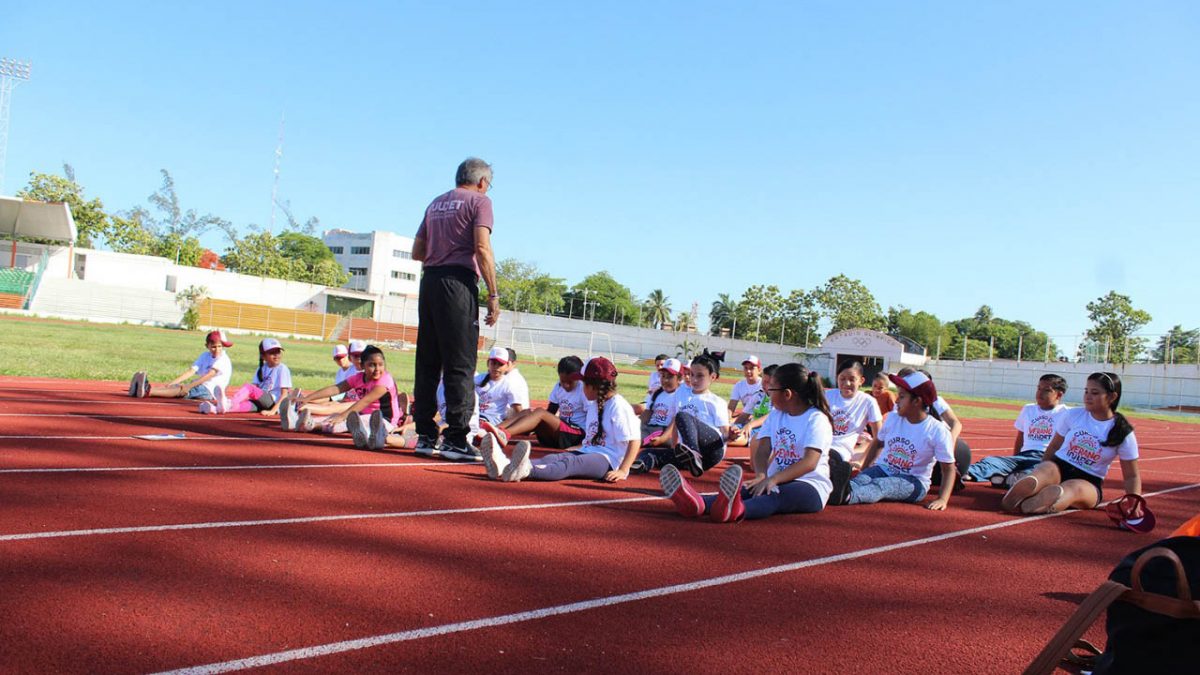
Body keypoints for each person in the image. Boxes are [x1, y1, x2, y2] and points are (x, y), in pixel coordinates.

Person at [661, 363, 834, 523]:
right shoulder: (776, 415)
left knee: (773, 496)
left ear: (787, 394)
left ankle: (736, 510)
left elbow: (810, 462)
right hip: (776, 479)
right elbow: (763, 448)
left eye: (771, 389)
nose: (768, 393)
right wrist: (761, 474)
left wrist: (773, 479)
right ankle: (700, 504)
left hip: (811, 485)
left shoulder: (816, 419)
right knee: (745, 491)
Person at [411, 157, 500, 461]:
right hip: (458, 284)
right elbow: (482, 248)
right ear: (482, 182)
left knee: (427, 361)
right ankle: (456, 438)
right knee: (460, 364)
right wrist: (493, 294)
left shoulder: (435, 204)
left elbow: (417, 251)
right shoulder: (480, 202)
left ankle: (424, 434)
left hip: (430, 281)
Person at [481, 357, 640, 483]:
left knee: (569, 465)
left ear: (593, 386)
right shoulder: (594, 404)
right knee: (553, 458)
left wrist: (623, 470)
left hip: (607, 460)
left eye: (583, 384)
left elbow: (635, 440)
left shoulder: (618, 406)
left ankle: (527, 470)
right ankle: (504, 465)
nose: (581, 388)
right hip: (588, 450)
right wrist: (581, 446)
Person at [1002, 372, 1141, 515]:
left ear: (1112, 397)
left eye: (1094, 393)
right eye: (1086, 391)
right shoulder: (1073, 415)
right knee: (1046, 470)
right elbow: (1054, 446)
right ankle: (1032, 483)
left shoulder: (1123, 432)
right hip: (1059, 466)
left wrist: (1134, 504)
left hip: (1089, 479)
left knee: (1073, 488)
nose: (1087, 396)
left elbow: (1132, 475)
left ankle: (1048, 498)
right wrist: (1042, 466)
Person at [842, 371, 956, 511]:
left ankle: (846, 496)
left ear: (917, 401)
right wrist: (865, 469)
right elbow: (878, 443)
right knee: (862, 479)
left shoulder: (936, 430)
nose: (896, 401)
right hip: (883, 469)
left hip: (913, 481)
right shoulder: (893, 418)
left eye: (901, 397)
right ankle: (836, 490)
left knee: (882, 485)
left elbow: (948, 469)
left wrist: (942, 499)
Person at [285, 345, 403, 450]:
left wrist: (343, 416)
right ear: (362, 366)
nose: (377, 369)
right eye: (372, 365)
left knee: (346, 420)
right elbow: (335, 389)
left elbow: (365, 401)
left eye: (381, 365)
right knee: (336, 417)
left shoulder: (385, 380)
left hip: (385, 420)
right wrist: (308, 398)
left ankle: (370, 435)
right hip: (362, 416)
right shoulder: (358, 378)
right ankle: (302, 423)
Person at [630, 354, 729, 477]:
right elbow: (676, 425)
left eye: (700, 376)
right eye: (692, 374)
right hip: (689, 456)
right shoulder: (681, 393)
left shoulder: (717, 402)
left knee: (683, 416)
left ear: (713, 377)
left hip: (711, 451)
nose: (694, 380)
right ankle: (642, 464)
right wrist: (674, 449)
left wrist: (732, 435)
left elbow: (725, 433)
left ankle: (694, 455)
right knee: (648, 452)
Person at [966, 374, 1069, 487]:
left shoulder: (1067, 413)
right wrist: (1015, 460)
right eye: (1038, 388)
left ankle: (1014, 479)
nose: (1040, 393)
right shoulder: (1028, 409)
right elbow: (1020, 436)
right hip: (1023, 455)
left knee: (1036, 472)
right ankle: (967, 473)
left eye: (1046, 390)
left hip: (1045, 457)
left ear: (1059, 395)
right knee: (991, 461)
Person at [484, 356, 587, 451]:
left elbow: (595, 421)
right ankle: (491, 433)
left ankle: (505, 434)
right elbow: (551, 412)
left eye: (570, 382)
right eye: (562, 381)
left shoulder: (583, 390)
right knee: (527, 413)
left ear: (578, 378)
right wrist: (532, 423)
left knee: (539, 413)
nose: (566, 385)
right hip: (560, 435)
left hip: (576, 436)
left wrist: (583, 445)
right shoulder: (558, 387)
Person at [895, 367, 970, 488]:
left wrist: (949, 443)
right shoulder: (899, 405)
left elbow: (956, 423)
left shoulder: (936, 401)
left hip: (950, 451)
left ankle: (955, 471)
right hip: (920, 455)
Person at [128, 330, 232, 401]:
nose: (217, 350)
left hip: (210, 391)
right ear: (207, 346)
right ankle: (140, 390)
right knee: (176, 387)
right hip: (201, 386)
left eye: (220, 346)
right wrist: (172, 383)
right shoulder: (205, 355)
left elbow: (208, 375)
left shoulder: (222, 359)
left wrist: (189, 386)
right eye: (213, 347)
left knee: (182, 391)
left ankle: (148, 391)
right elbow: (191, 371)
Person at [203, 338, 292, 416]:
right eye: (272, 353)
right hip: (261, 401)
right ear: (263, 356)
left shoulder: (283, 369)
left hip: (272, 402)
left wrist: (273, 411)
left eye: (278, 352)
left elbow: (284, 394)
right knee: (240, 407)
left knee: (249, 388)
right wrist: (241, 400)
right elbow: (254, 390)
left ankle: (228, 403)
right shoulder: (261, 368)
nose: (276, 355)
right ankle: (215, 409)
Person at [825, 361, 883, 466]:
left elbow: (879, 436)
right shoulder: (827, 396)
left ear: (861, 381)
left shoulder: (868, 402)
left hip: (839, 453)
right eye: (842, 379)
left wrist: (861, 461)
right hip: (818, 446)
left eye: (852, 379)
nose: (846, 383)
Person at [476, 346, 531, 426]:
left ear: (507, 366)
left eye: (500, 364)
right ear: (488, 363)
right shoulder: (477, 379)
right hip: (475, 416)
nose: (496, 367)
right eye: (493, 363)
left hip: (494, 421)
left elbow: (519, 411)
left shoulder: (509, 384)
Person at [727, 364, 778, 447]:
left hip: (765, 429)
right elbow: (744, 415)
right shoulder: (758, 395)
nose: (764, 384)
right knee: (729, 430)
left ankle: (714, 445)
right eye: (763, 381)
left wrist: (750, 425)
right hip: (750, 426)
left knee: (743, 435)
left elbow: (770, 416)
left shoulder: (779, 399)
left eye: (767, 382)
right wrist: (735, 426)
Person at [728, 355, 764, 423]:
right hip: (745, 417)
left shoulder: (764, 385)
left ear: (759, 370)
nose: (748, 371)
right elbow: (731, 407)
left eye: (752, 368)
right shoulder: (739, 385)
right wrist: (727, 418)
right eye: (746, 368)